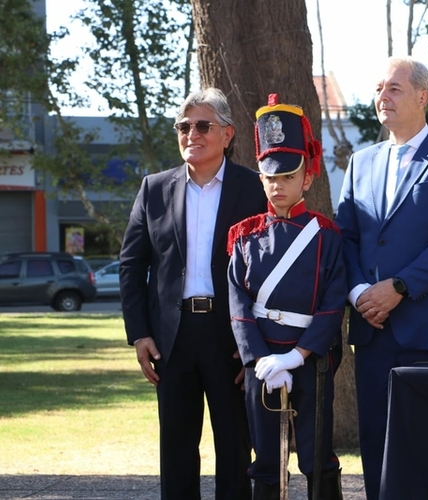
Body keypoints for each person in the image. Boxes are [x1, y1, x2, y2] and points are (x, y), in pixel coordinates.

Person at [334, 56, 428, 500]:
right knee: (379, 453)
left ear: (423, 97)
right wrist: (361, 292)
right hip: (374, 333)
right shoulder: (361, 163)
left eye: (394, 88)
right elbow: (345, 237)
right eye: (379, 88)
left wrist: (398, 287)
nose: (383, 96)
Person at [119, 87, 267, 500]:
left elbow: (270, 267)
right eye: (183, 126)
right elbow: (132, 265)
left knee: (236, 448)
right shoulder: (153, 189)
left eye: (203, 125)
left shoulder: (255, 189)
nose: (191, 134)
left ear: (228, 134)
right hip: (172, 339)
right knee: (177, 450)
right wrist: (140, 334)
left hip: (231, 338)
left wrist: (255, 343)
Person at [227, 94, 346, 500]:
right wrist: (260, 359)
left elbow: (333, 303)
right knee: (266, 460)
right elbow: (239, 304)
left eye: (288, 177)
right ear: (261, 177)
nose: (278, 186)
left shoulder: (327, 236)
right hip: (262, 361)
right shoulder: (244, 236)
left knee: (317, 456)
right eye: (270, 177)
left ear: (306, 179)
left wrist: (298, 357)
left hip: (310, 360)